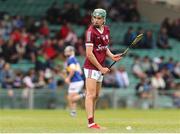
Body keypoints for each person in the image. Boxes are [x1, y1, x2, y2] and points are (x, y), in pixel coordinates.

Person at [83, 8, 123, 129]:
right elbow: (89, 54)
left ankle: (93, 121)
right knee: (90, 94)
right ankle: (90, 123)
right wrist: (101, 68)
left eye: (99, 18)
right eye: (94, 17)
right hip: (91, 67)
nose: (96, 20)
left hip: (100, 67)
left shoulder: (106, 30)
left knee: (96, 95)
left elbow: (104, 47)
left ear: (104, 19)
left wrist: (112, 56)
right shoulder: (90, 32)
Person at [63, 46, 85, 117]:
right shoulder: (74, 59)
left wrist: (68, 78)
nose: (65, 52)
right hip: (77, 81)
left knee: (71, 98)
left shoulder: (71, 59)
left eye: (67, 51)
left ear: (71, 51)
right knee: (71, 98)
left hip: (76, 81)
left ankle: (85, 94)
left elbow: (72, 70)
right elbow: (80, 72)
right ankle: (73, 112)